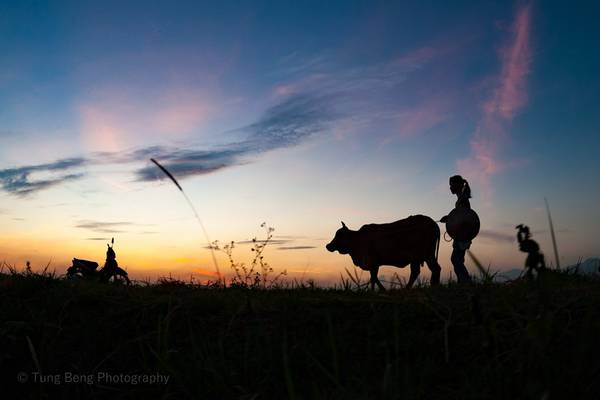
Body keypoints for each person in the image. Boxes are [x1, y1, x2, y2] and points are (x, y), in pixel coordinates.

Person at [440, 175, 472, 283]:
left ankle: (466, 282)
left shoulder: (462, 199)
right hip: (462, 234)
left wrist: (449, 218)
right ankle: (462, 283)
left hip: (462, 234)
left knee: (455, 259)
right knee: (458, 259)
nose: (450, 187)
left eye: (451, 185)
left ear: (458, 185)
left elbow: (462, 218)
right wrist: (449, 218)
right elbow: (460, 216)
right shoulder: (461, 199)